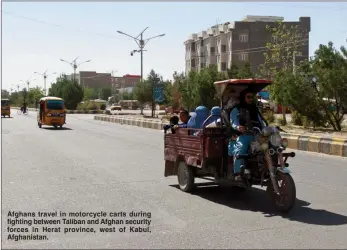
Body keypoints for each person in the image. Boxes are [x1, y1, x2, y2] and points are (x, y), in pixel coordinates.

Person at [228, 90, 266, 180]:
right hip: (244, 135)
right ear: (243, 98)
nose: (250, 99)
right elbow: (233, 121)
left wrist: (265, 129)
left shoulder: (255, 108)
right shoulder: (237, 108)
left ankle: (264, 169)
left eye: (252, 97)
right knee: (240, 151)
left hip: (257, 134)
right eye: (248, 97)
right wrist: (238, 127)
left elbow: (261, 122)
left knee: (267, 148)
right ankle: (237, 173)